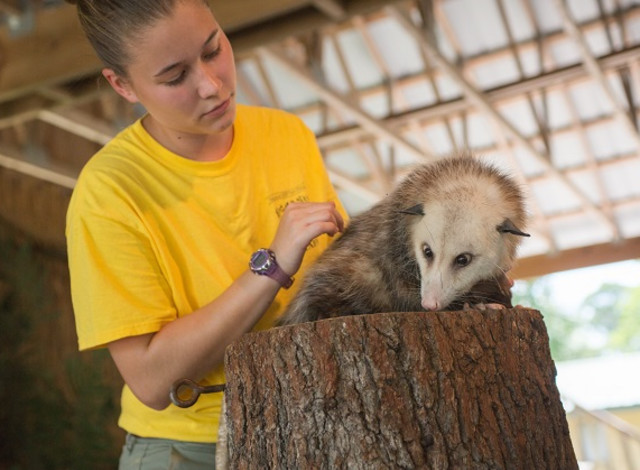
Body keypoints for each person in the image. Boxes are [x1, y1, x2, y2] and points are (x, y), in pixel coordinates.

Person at [64, 0, 347, 468]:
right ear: (122, 84)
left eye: (213, 49)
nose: (211, 85)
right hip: (190, 448)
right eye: (175, 77)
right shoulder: (109, 192)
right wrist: (271, 266)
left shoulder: (288, 135)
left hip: (311, 425)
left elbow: (342, 284)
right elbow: (152, 382)